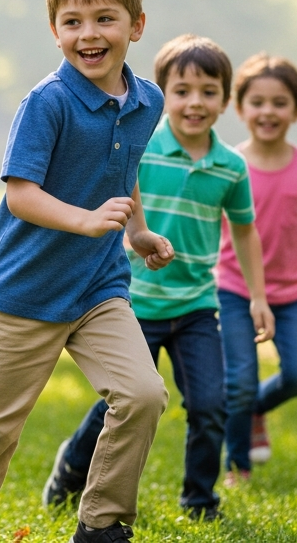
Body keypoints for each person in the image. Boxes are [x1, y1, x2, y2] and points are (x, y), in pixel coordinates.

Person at [0, 0, 174, 543]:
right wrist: (88, 221)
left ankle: (101, 526)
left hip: (97, 287)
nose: (90, 34)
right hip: (26, 291)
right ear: (55, 30)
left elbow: (124, 165)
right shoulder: (48, 103)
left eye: (105, 18)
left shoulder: (148, 102)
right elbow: (21, 195)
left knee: (142, 395)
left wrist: (135, 232)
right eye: (73, 21)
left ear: (136, 26)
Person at [43, 34, 273, 523]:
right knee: (121, 405)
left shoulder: (231, 167)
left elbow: (246, 233)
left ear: (225, 101)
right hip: (132, 305)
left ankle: (200, 501)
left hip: (195, 307)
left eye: (208, 91)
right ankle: (71, 469)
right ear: (162, 94)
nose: (195, 102)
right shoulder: (139, 147)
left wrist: (257, 296)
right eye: (183, 90)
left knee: (212, 405)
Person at [217, 53, 297, 484]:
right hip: (233, 290)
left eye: (280, 102)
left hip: (288, 296)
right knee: (239, 381)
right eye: (258, 102)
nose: (268, 111)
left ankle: (253, 412)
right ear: (240, 108)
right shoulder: (228, 164)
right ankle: (238, 465)